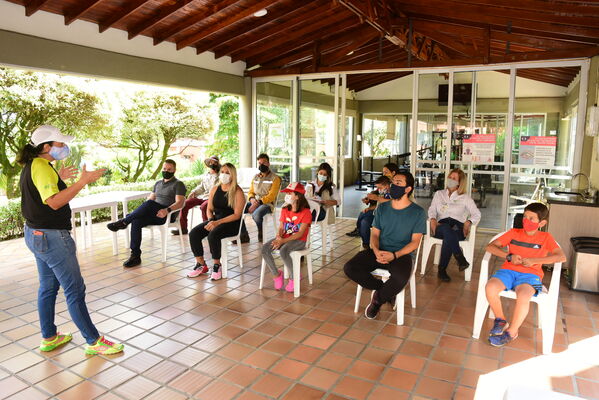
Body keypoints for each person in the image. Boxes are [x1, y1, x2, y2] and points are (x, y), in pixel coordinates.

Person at [17, 125, 123, 355]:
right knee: (74, 289)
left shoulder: (35, 165)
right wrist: (82, 181)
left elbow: (41, 192)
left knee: (48, 287)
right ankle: (94, 341)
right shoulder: (42, 167)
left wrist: (60, 178)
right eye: (60, 144)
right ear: (46, 147)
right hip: (52, 238)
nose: (64, 147)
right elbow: (54, 202)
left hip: (35, 234)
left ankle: (49, 337)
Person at [344, 171, 426, 320]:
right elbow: (374, 235)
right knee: (350, 268)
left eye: (399, 183)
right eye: (393, 182)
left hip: (401, 255)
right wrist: (376, 250)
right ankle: (384, 290)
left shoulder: (418, 213)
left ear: (408, 189)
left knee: (401, 278)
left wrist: (394, 255)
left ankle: (377, 300)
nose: (394, 185)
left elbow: (415, 242)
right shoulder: (382, 208)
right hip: (379, 251)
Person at [484, 202, 565, 347]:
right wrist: (508, 256)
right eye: (525, 217)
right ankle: (500, 319)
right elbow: (490, 246)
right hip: (508, 271)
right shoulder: (514, 233)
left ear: (542, 223)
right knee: (490, 287)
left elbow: (561, 257)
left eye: (532, 218)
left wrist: (536, 260)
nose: (526, 221)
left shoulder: (546, 238)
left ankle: (511, 332)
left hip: (530, 276)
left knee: (523, 295)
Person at [107, 159, 186, 267]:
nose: (166, 171)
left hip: (166, 215)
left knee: (148, 204)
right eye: (164, 169)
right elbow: (151, 199)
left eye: (169, 169)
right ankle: (135, 256)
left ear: (174, 170)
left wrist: (167, 210)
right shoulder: (158, 183)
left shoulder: (178, 184)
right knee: (136, 221)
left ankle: (124, 221)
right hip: (153, 213)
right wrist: (140, 212)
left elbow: (180, 203)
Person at [187, 163, 245, 280]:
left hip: (231, 223)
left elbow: (237, 215)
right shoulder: (214, 189)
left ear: (232, 175)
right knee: (194, 233)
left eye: (227, 172)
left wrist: (217, 223)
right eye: (222, 172)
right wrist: (211, 220)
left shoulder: (237, 191)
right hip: (216, 220)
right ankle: (201, 264)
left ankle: (217, 265)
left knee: (213, 235)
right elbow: (209, 209)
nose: (224, 175)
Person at [428, 168, 481, 282]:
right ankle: (459, 258)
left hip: (458, 228)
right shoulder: (439, 194)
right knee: (447, 229)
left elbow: (477, 214)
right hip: (441, 226)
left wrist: (469, 222)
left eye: (454, 178)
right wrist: (432, 219)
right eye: (450, 177)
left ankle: (442, 270)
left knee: (450, 237)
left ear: (459, 183)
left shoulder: (465, 198)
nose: (450, 180)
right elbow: (432, 209)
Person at [261, 182, 312, 292]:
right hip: (284, 238)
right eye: (286, 193)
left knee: (284, 250)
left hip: (299, 241)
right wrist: (278, 236)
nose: (287, 195)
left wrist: (282, 240)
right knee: (265, 249)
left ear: (297, 196)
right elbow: (281, 227)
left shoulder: (306, 212)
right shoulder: (285, 209)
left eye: (290, 193)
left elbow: (300, 233)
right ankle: (276, 275)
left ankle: (294, 277)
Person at [171, 156, 220, 235]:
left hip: (212, 198)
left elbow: (218, 189)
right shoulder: (206, 175)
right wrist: (194, 192)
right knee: (185, 203)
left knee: (204, 206)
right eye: (210, 162)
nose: (212, 164)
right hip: (203, 197)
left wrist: (217, 172)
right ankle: (183, 228)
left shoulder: (220, 176)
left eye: (214, 163)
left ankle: (207, 230)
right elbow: (201, 187)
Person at [242, 153, 282, 242]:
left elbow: (272, 196)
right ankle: (243, 235)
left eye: (264, 163)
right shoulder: (255, 177)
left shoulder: (275, 178)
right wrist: (252, 199)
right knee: (238, 210)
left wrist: (258, 203)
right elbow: (251, 192)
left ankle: (261, 231)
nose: (261, 165)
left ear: (268, 163)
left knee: (256, 215)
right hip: (255, 201)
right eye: (259, 163)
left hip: (267, 204)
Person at [346, 175, 391, 249]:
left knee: (364, 215)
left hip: (386, 217)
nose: (379, 189)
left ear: (386, 185)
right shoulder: (383, 193)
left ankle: (358, 230)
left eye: (380, 187)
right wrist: (370, 206)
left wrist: (377, 198)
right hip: (378, 213)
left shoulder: (393, 193)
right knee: (364, 221)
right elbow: (378, 204)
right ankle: (366, 245)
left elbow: (393, 202)